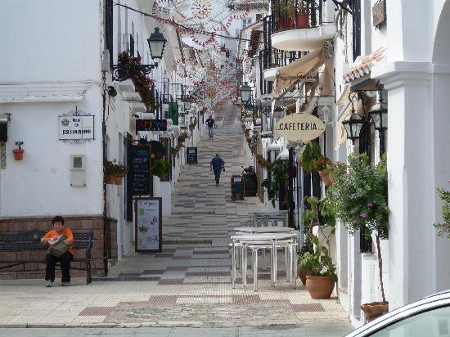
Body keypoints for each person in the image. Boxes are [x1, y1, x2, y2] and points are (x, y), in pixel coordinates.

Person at [41, 215, 74, 287]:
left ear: (62, 225)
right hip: (54, 252)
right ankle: (49, 279)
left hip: (65, 252)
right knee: (49, 257)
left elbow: (71, 239)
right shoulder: (51, 233)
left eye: (59, 224)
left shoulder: (66, 230)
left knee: (66, 257)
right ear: (53, 225)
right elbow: (42, 241)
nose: (57, 226)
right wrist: (51, 239)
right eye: (55, 224)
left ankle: (66, 280)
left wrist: (60, 240)